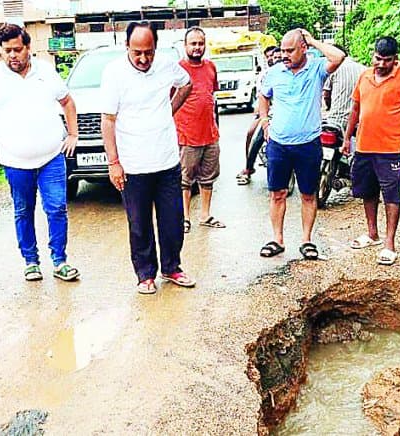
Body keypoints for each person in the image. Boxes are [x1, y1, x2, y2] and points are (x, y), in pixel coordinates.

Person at [0, 23, 81, 282]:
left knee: (56, 208)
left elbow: (67, 102)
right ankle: (31, 262)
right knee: (24, 210)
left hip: (51, 157)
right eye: (6, 51)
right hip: (14, 162)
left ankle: (60, 261)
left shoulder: (45, 71)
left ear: (28, 47)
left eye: (17, 50)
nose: (12, 56)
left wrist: (73, 134)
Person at [100, 21, 196, 295]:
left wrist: (169, 109)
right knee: (139, 224)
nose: (143, 59)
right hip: (132, 165)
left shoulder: (166, 65)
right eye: (137, 53)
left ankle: (172, 267)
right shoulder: (114, 73)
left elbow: (186, 84)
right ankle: (145, 274)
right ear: (127, 47)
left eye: (149, 52)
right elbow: (107, 120)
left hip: (166, 162)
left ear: (156, 47)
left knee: (173, 221)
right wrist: (113, 162)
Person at [255, 29, 345, 260]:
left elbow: (338, 57)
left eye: (290, 50)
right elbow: (264, 96)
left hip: (307, 144)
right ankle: (277, 239)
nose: (284, 55)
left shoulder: (316, 68)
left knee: (308, 194)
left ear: (303, 48)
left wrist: (313, 40)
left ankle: (306, 240)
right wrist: (265, 121)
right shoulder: (274, 73)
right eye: (282, 50)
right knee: (277, 193)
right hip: (278, 145)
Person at [342, 37, 400, 266]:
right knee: (368, 191)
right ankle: (372, 233)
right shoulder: (364, 76)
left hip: (391, 148)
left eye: (387, 60)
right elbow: (355, 108)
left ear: (395, 59)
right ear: (372, 56)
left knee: (391, 194)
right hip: (365, 146)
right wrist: (348, 138)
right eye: (378, 58)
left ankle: (389, 243)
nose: (381, 64)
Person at [174, 27, 224, 233]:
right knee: (185, 180)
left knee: (208, 178)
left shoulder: (211, 66)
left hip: (210, 135)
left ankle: (205, 215)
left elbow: (211, 95)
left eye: (200, 43)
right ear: (185, 46)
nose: (197, 48)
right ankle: (184, 218)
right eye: (193, 44)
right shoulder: (177, 69)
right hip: (186, 135)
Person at [236, 46, 282, 186]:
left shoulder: (292, 73)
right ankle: (248, 167)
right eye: (272, 57)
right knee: (254, 135)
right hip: (268, 114)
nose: (274, 60)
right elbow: (261, 98)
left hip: (285, 115)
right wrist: (263, 116)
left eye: (278, 57)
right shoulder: (266, 75)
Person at [322, 46, 366, 136]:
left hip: (336, 122)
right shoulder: (364, 70)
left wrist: (329, 107)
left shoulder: (333, 68)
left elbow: (326, 95)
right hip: (359, 123)